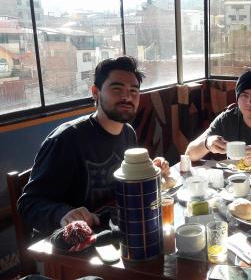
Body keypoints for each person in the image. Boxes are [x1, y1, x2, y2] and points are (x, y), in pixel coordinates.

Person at [18, 56, 169, 236]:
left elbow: (124, 185)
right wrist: (62, 214)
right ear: (95, 92)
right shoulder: (67, 140)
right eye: (117, 89)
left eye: (134, 91)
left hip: (111, 231)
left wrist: (147, 171)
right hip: (67, 246)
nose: (127, 97)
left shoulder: (128, 133)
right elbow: (28, 203)